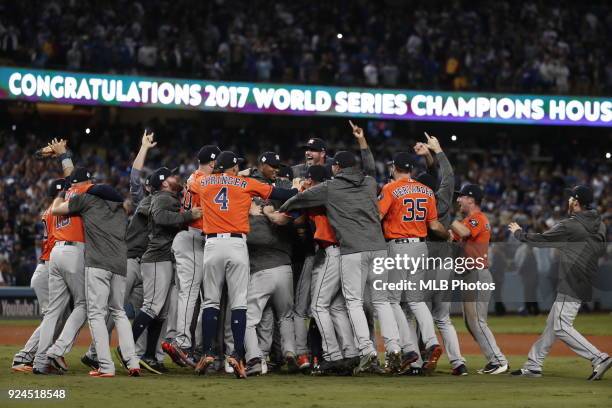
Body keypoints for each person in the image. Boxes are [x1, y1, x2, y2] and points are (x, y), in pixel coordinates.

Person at [279, 122, 401, 375]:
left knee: (353, 302)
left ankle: (366, 352)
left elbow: (299, 199)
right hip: (379, 248)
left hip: (352, 249)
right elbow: (369, 166)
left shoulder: (330, 187)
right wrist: (362, 142)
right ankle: (394, 349)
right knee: (381, 303)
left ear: (336, 168)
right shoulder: (369, 183)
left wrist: (281, 208)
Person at [194, 151, 298, 378]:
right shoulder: (245, 183)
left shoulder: (202, 181)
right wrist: (297, 188)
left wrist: (220, 174)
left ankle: (208, 353)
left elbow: (192, 183)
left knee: (210, 301)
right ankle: (237, 356)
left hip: (212, 244)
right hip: (237, 245)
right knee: (239, 304)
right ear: (232, 168)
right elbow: (280, 192)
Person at [509, 185, 610, 380]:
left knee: (561, 326)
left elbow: (540, 240)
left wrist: (518, 233)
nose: (568, 201)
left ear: (577, 202)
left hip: (571, 279)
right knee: (552, 324)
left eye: (571, 198)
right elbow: (600, 251)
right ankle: (533, 364)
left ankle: (599, 357)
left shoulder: (570, 225)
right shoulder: (601, 224)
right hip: (586, 278)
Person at [51, 179, 141, 377]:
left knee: (96, 314)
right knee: (119, 312)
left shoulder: (89, 201)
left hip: (98, 263)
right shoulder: (121, 209)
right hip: (119, 264)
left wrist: (60, 193)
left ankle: (106, 366)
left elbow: (56, 210)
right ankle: (133, 362)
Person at [378, 146, 449, 375]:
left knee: (393, 300)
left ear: (394, 168)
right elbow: (435, 226)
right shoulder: (426, 191)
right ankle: (431, 342)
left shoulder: (390, 188)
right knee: (416, 301)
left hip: (398, 247)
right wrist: (449, 235)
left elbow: (377, 216)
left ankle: (409, 348)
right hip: (421, 246)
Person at [131, 167, 202, 374]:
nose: (176, 177)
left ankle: (150, 356)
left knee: (160, 312)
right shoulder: (162, 197)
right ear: (163, 183)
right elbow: (161, 217)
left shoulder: (168, 196)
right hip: (156, 258)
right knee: (152, 306)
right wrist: (189, 215)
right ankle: (127, 349)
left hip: (163, 257)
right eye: (171, 176)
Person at [163, 145, 220, 367]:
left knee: (196, 295)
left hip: (192, 238)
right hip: (192, 237)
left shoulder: (195, 178)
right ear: (213, 163)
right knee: (189, 293)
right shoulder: (200, 180)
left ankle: (187, 343)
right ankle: (182, 343)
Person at [415, 134, 467, 376]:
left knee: (419, 312)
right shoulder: (443, 195)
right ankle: (458, 362)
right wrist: (438, 151)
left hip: (425, 260)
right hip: (445, 260)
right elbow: (448, 175)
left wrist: (429, 156)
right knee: (443, 318)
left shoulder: (417, 202)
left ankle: (420, 359)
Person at [33, 166, 91, 375]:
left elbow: (71, 182)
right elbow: (78, 180)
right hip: (73, 251)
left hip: (55, 254)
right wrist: (65, 157)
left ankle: (40, 362)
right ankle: (57, 350)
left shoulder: (55, 203)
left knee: (52, 314)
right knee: (84, 303)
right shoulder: (77, 194)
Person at [243, 152, 298, 376]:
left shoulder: (274, 188)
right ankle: (290, 353)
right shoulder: (252, 185)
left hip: (262, 264)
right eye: (272, 166)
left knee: (250, 317)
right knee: (284, 316)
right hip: (282, 265)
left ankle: (256, 358)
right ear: (262, 165)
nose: (276, 169)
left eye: (278, 166)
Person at [450, 184, 509, 375]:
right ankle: (494, 360)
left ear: (471, 199)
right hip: (470, 274)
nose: (458, 200)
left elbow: (465, 233)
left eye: (462, 197)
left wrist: (446, 217)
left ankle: (498, 360)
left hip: (476, 273)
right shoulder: (468, 220)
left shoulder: (477, 219)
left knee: (477, 321)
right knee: (470, 321)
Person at [11, 179, 67, 373]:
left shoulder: (52, 210)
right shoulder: (55, 212)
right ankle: (23, 357)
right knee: (53, 318)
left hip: (47, 267)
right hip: (47, 270)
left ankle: (43, 356)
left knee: (58, 317)